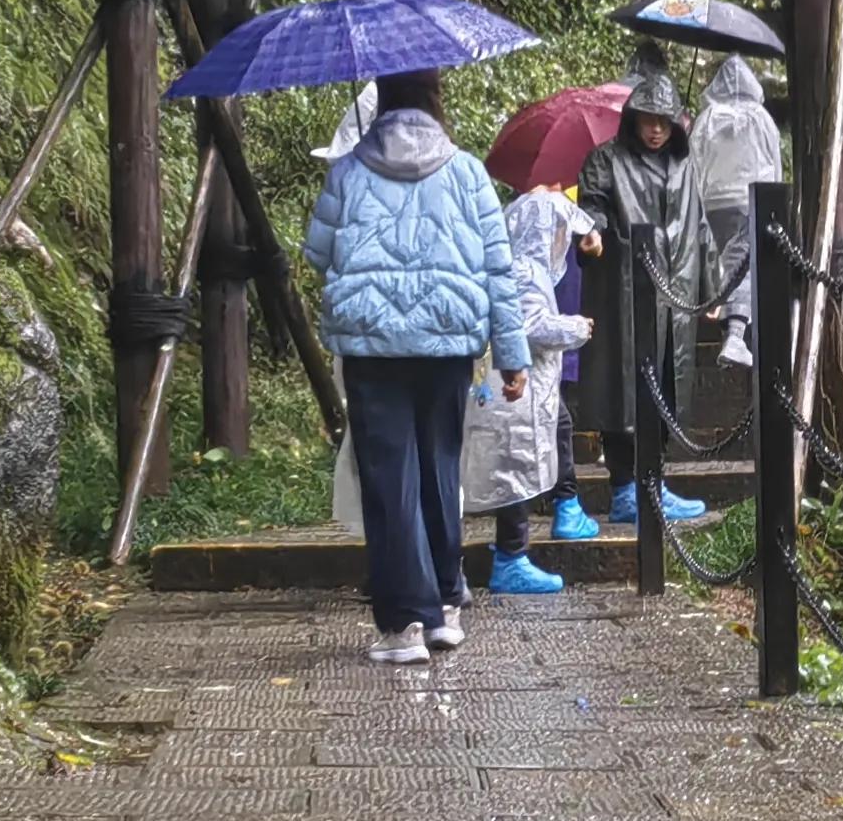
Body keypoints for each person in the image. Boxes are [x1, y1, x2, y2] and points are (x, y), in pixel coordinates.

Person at [305, 66, 527, 662]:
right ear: (434, 100)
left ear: (381, 102)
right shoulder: (467, 172)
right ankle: (446, 609)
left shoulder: (348, 171)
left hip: (372, 347)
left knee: (389, 478)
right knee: (439, 469)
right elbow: (499, 274)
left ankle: (404, 623)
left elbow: (317, 252)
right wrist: (512, 356)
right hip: (447, 346)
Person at [573, 50, 719, 523]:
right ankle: (624, 489)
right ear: (634, 118)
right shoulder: (605, 161)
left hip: (674, 295)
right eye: (648, 119)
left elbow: (698, 224)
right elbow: (591, 207)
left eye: (664, 121)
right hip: (624, 293)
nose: (656, 129)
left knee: (666, 388)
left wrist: (712, 287)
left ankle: (654, 484)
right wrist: (592, 233)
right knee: (624, 392)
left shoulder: (684, 164)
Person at [484, 183, 593, 595]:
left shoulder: (520, 266)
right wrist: (577, 327)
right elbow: (530, 326)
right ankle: (510, 557)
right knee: (516, 467)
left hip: (534, 386)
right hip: (522, 387)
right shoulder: (527, 271)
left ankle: (554, 518)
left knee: (558, 431)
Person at [690, 50, 784, 368]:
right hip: (751, 200)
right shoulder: (761, 119)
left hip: (714, 203)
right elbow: (776, 164)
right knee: (743, 267)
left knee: (724, 266)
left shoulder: (706, 120)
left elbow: (694, 165)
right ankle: (736, 333)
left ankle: (724, 318)